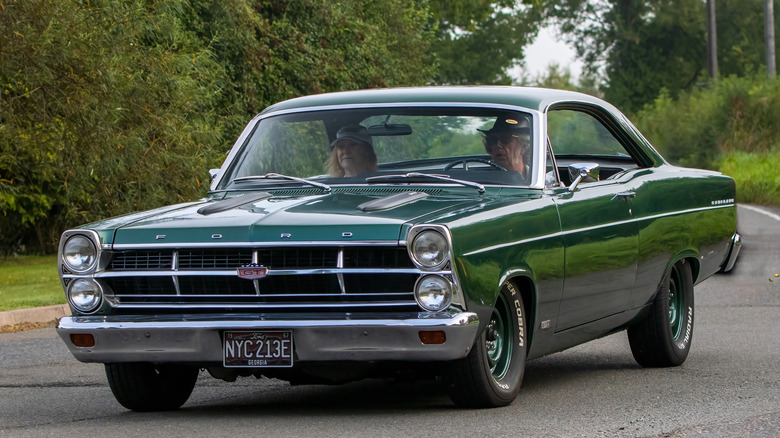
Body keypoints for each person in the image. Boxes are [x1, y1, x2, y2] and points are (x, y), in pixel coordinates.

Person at [479, 116, 532, 181]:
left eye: (506, 139)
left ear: (524, 146)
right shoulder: (481, 184)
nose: (498, 145)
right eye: (492, 140)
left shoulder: (541, 181)